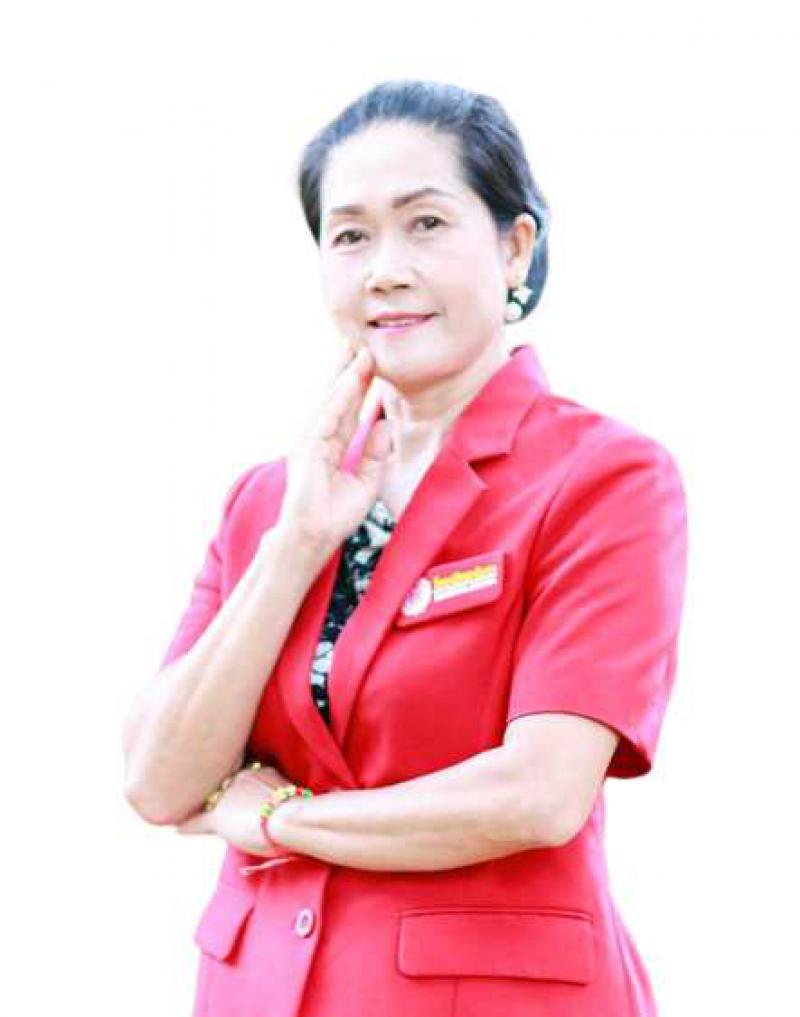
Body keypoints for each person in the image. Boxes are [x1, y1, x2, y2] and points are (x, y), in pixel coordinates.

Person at [122, 79, 689, 1017]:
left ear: (515, 247)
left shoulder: (602, 477)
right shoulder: (267, 501)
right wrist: (297, 543)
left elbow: (537, 792)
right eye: (349, 236)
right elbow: (159, 781)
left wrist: (281, 817)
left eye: (426, 224)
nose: (385, 269)